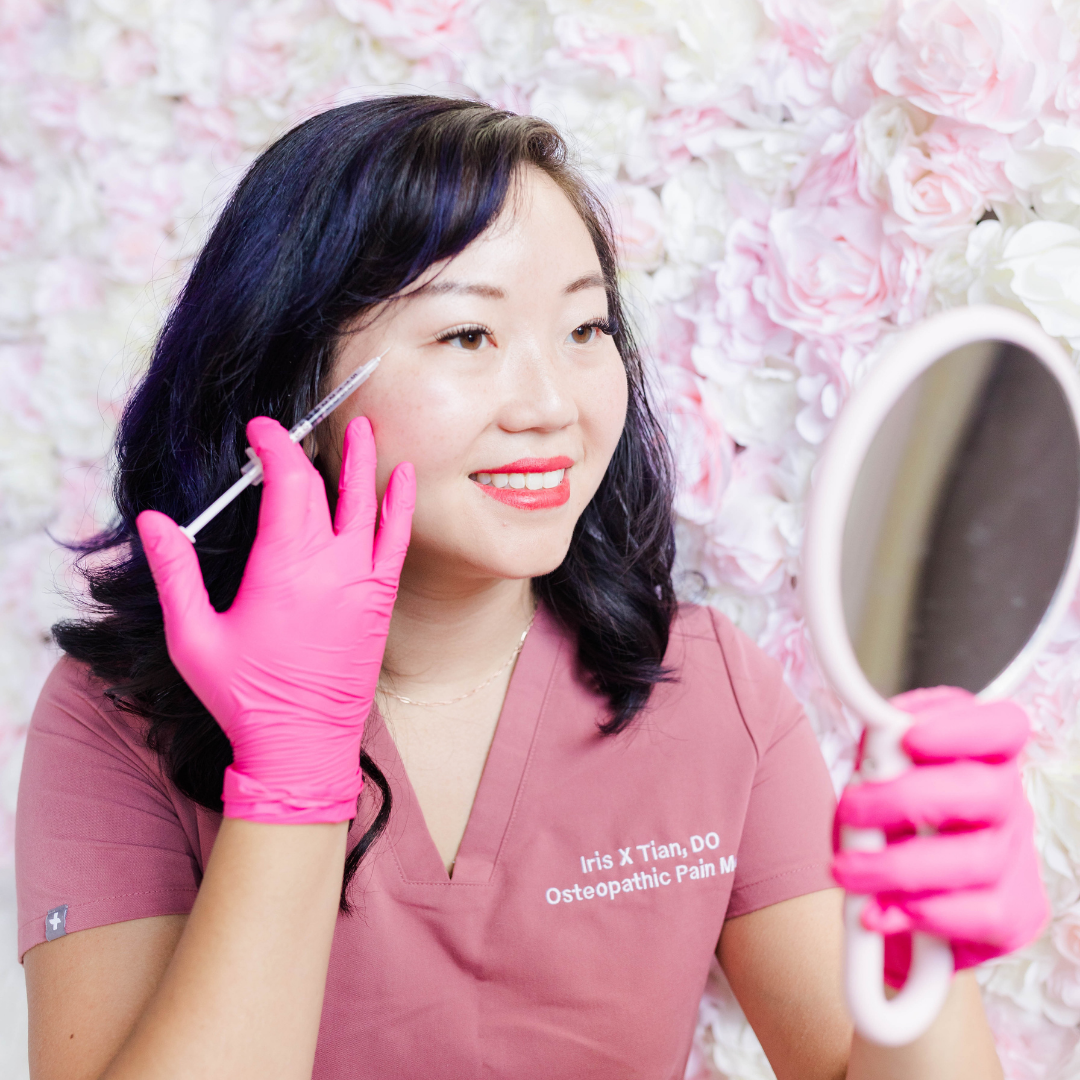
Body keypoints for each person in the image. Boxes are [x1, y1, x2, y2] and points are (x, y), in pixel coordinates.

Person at [16, 96, 1045, 1080]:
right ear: (296, 395)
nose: (552, 406)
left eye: (586, 330)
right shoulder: (118, 716)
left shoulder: (707, 688)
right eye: (469, 335)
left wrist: (930, 958)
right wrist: (290, 780)